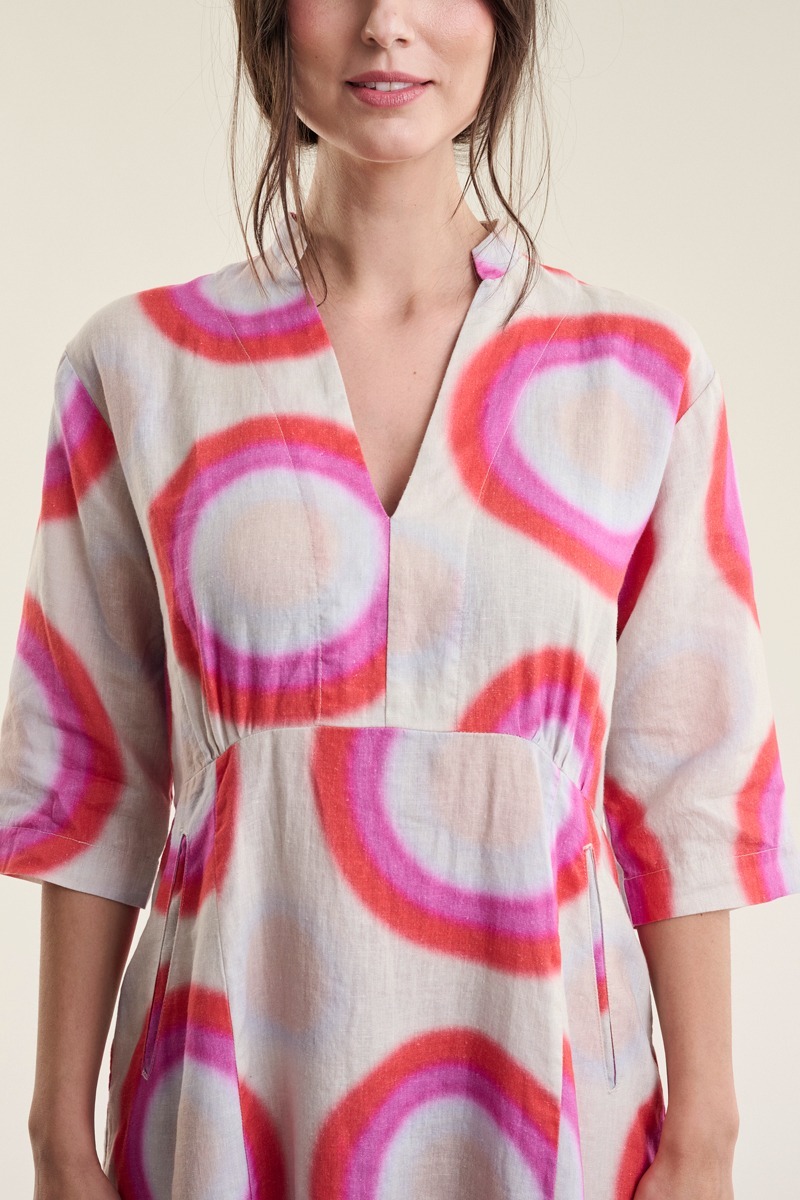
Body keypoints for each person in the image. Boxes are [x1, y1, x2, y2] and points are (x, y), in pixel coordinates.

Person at [1, 2, 799, 1198]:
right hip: (224, 1088)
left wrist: (707, 1137)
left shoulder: (642, 376)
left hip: (549, 1089)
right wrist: (57, 1134)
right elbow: (90, 770)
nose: (387, 26)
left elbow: (687, 785)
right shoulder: (139, 365)